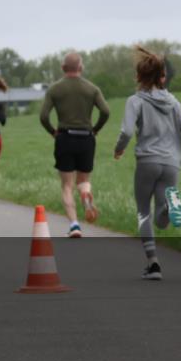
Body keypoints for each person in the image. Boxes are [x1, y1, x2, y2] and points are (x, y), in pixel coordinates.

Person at [113, 47, 181, 281]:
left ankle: (153, 264)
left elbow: (128, 130)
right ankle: (170, 207)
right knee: (162, 219)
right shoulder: (174, 102)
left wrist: (119, 149)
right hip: (171, 164)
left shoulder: (134, 101)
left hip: (148, 161)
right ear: (163, 77)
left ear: (139, 77)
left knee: (143, 213)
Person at [39, 52, 111, 237]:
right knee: (84, 180)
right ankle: (86, 195)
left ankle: (74, 225)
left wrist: (52, 131)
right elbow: (105, 111)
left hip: (65, 138)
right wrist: (95, 129)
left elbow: (44, 116)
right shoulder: (92, 89)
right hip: (86, 138)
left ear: (63, 68)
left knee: (67, 185)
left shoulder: (54, 89)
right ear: (81, 68)